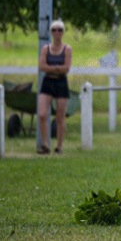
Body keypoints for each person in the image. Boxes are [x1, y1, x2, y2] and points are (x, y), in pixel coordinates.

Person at [38, 20, 72, 154]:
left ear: (63, 32)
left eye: (60, 30)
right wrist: (58, 68)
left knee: (60, 117)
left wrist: (52, 68)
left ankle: (59, 146)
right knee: (42, 114)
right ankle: (46, 145)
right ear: (51, 32)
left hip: (61, 83)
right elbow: (41, 67)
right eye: (54, 30)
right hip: (48, 82)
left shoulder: (67, 49)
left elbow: (66, 68)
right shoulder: (46, 48)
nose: (57, 32)